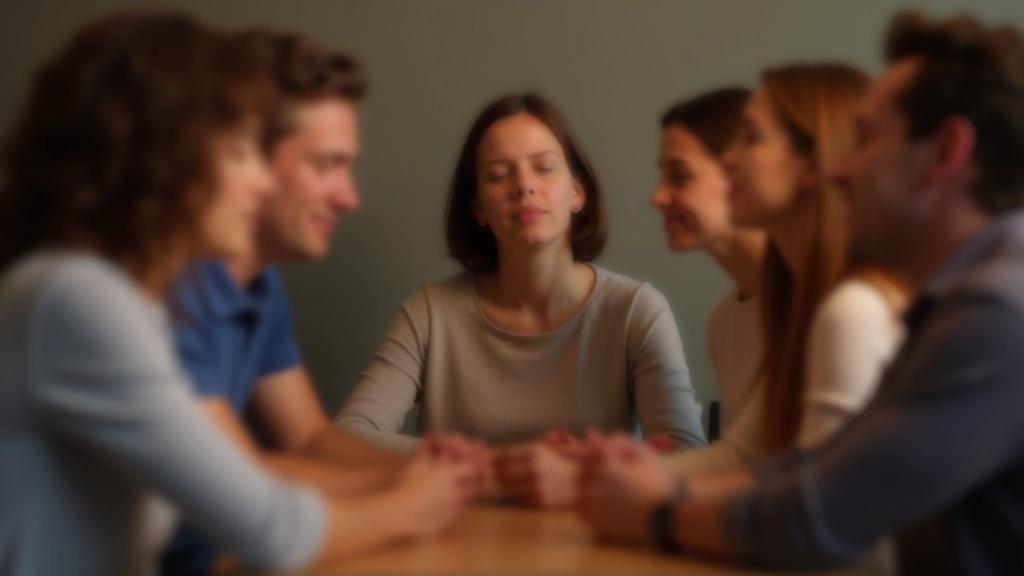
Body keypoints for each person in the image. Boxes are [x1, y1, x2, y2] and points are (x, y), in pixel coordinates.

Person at [0, 12, 477, 576]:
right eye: (239, 152)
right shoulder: (77, 298)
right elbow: (270, 530)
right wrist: (411, 505)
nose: (258, 179)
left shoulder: (119, 300)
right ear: (166, 156)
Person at [577, 10, 1024, 576]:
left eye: (863, 137)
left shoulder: (997, 314)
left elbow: (817, 519)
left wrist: (657, 512)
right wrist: (646, 487)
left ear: (945, 152)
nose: (840, 170)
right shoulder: (961, 298)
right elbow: (821, 469)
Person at [336, 93, 707, 507]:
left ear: (578, 193)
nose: (524, 186)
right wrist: (505, 467)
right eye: (498, 175)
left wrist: (572, 477)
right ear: (478, 207)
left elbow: (686, 456)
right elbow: (346, 438)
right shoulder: (430, 312)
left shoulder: (636, 310)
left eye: (544, 168)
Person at [161, 30, 439, 576]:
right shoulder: (160, 291)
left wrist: (439, 478)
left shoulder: (261, 286)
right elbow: (244, 487)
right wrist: (414, 492)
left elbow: (308, 437)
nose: (348, 197)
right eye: (325, 165)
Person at [662, 62, 908, 478]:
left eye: (750, 139)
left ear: (814, 163)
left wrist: (653, 502)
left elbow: (813, 506)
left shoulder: (854, 309)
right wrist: (606, 474)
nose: (729, 161)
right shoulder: (795, 303)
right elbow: (742, 455)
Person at [650, 88, 765, 437]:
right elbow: (742, 460)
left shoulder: (824, 304)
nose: (657, 196)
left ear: (741, 173)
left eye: (680, 176)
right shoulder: (723, 320)